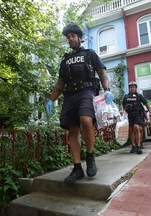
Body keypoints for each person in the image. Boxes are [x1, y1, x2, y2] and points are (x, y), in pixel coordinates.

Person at [45, 22, 114, 184]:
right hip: (70, 95)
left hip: (86, 91)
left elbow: (101, 72)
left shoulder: (90, 54)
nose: (70, 39)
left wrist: (106, 89)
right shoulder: (65, 60)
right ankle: (77, 168)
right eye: (68, 37)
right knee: (72, 130)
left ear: (80, 38)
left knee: (86, 120)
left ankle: (90, 155)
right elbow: (60, 83)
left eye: (73, 36)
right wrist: (51, 99)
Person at [122, 81, 151, 154]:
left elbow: (146, 103)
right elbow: (123, 105)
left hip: (137, 114)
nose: (132, 88)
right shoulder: (126, 96)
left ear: (136, 88)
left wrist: (150, 112)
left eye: (134, 87)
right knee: (131, 130)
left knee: (136, 127)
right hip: (129, 115)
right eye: (131, 87)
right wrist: (123, 112)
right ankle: (133, 146)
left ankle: (138, 146)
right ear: (129, 88)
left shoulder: (139, 96)